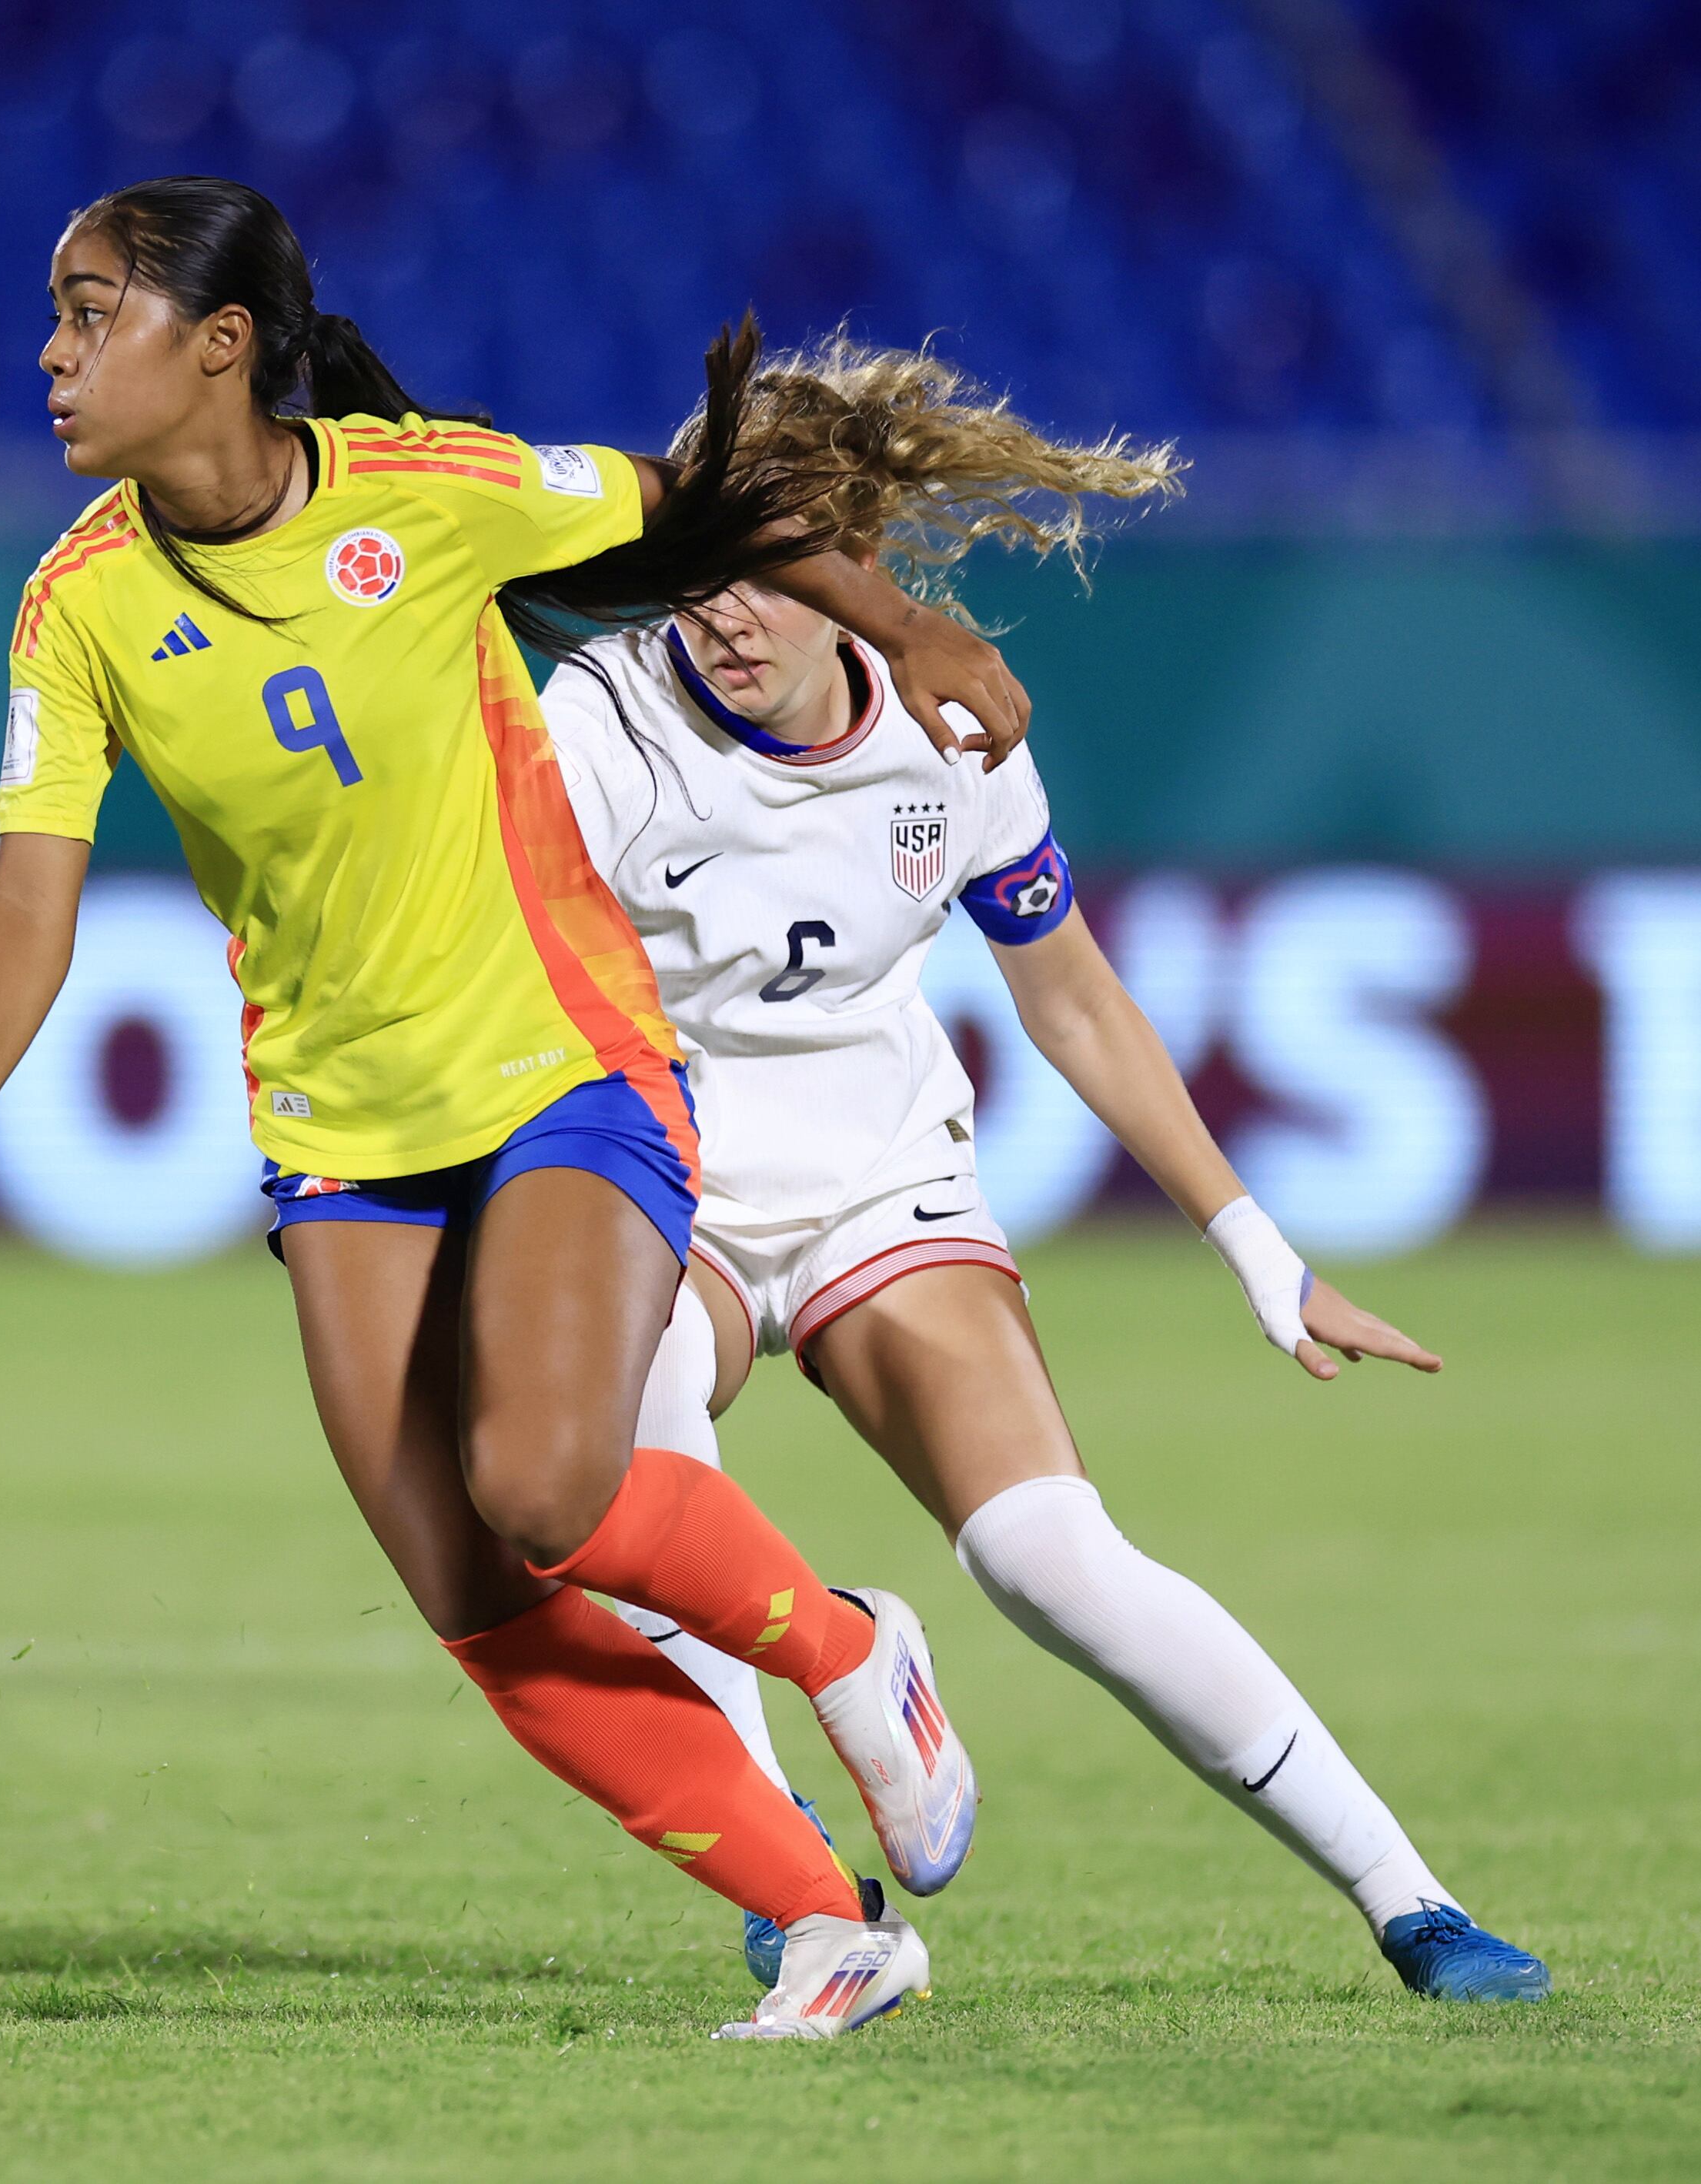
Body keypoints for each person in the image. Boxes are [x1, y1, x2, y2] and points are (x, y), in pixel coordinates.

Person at [0, 177, 1036, 2040]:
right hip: (340, 1130)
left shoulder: (422, 487)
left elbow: (697, 509)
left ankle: (844, 1648)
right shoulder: (76, 602)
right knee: (471, 1595)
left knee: (542, 1482)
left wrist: (898, 629)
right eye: (55, 313)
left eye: (88, 310)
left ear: (219, 343)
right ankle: (827, 1921)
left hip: (561, 1064)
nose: (50, 350)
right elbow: (32, 887)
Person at [535, 336, 1549, 2004]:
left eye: (770, 575)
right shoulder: (604, 717)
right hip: (663, 1175)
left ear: (852, 572)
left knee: (1049, 1559)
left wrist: (1255, 1251)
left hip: (875, 1182)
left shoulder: (947, 732)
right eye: (699, 569)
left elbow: (1068, 997)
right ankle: (793, 1868)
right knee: (615, 1465)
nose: (723, 613)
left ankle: (1412, 1906)